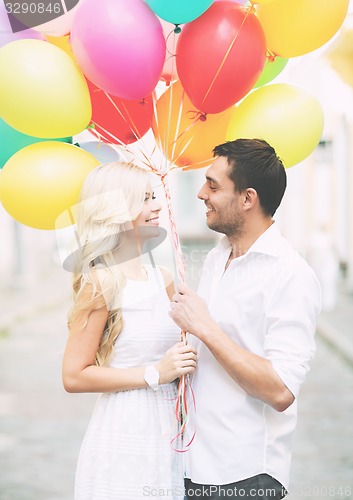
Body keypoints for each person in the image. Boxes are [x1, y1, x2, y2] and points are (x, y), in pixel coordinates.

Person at [170, 139, 322, 499]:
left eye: (213, 185)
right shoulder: (216, 257)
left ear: (247, 198)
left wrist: (205, 328)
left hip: (245, 476)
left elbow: (281, 390)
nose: (201, 194)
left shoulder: (290, 275)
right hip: (192, 466)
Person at [62, 162, 197, 499]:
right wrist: (154, 373)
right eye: (145, 198)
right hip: (127, 428)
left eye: (155, 196)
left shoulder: (163, 278)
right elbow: (74, 376)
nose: (158, 205)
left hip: (172, 429)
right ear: (117, 209)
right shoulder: (102, 281)